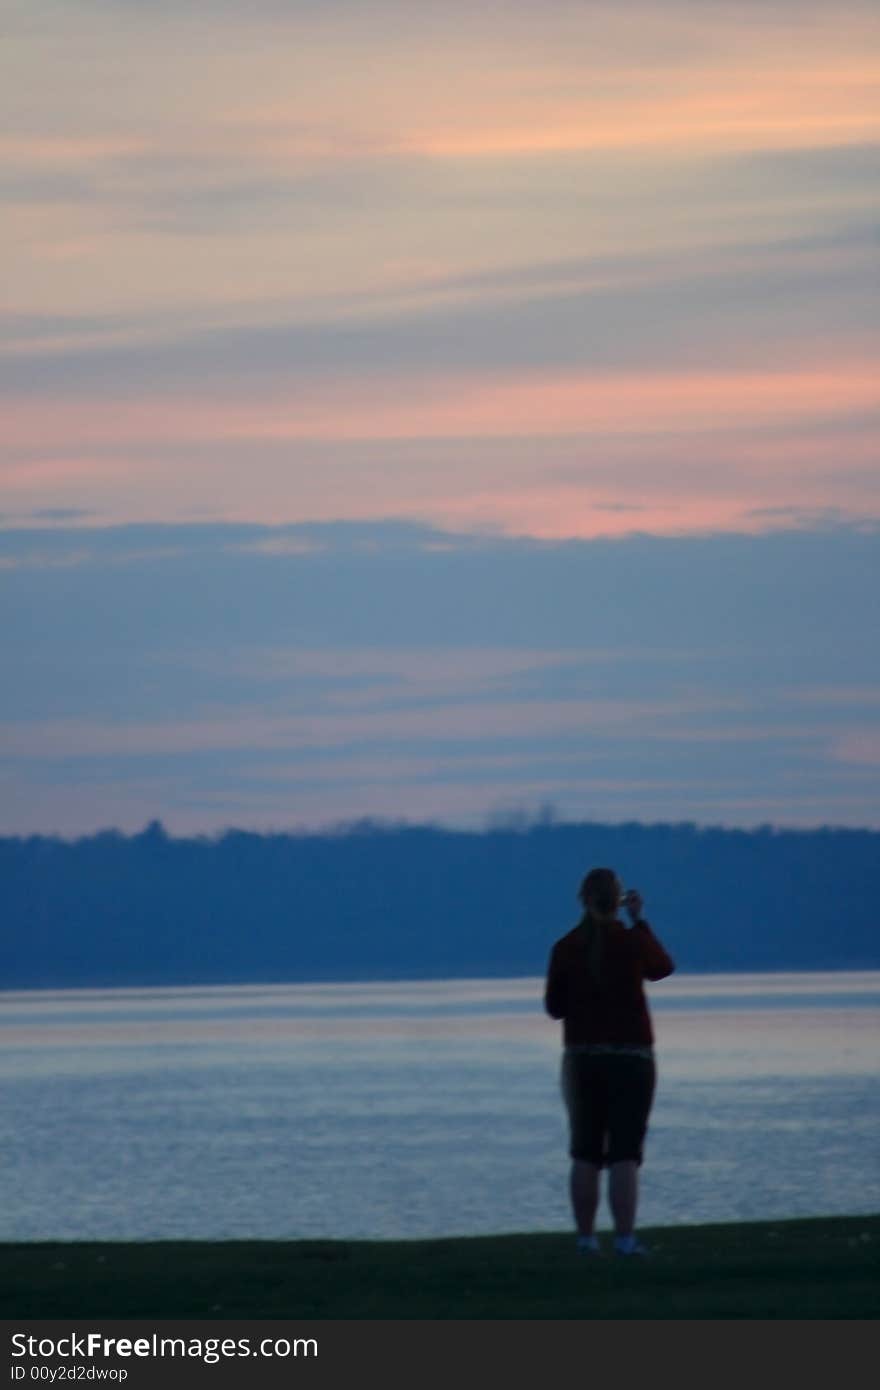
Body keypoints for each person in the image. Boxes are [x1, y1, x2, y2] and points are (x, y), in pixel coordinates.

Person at [544, 866, 674, 1256]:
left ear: (582, 899)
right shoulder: (632, 941)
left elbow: (555, 1008)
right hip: (632, 1059)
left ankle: (585, 1239)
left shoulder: (566, 947)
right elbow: (663, 968)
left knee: (585, 1151)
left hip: (583, 1060)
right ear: (618, 900)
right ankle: (625, 1240)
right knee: (624, 1154)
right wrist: (640, 920)